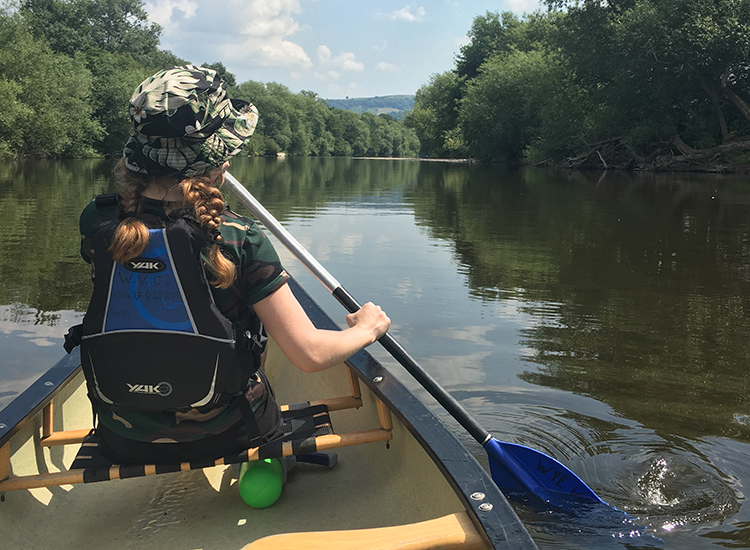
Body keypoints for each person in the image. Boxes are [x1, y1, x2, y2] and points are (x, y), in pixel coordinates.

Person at [76, 65, 390, 466]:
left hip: (120, 436)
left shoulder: (97, 220)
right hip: (227, 433)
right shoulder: (239, 237)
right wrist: (367, 329)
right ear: (218, 155)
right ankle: (274, 463)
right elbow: (310, 355)